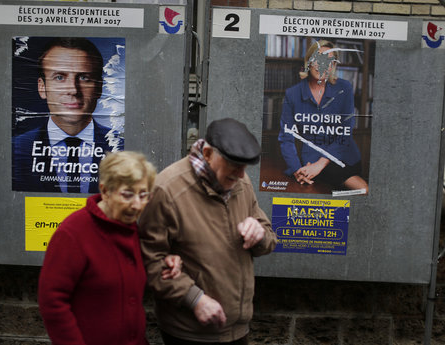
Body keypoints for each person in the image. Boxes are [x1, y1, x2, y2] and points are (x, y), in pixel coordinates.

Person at [139, 118, 278, 344]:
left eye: (244, 168)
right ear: (207, 153)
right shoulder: (168, 190)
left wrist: (260, 235)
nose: (241, 176)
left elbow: (269, 239)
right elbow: (151, 261)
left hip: (238, 328)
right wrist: (195, 299)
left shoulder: (241, 181)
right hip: (191, 331)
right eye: (233, 168)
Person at [38, 151, 182, 345]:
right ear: (105, 191)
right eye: (127, 195)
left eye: (143, 195)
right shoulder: (73, 233)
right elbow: (52, 301)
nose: (137, 205)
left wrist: (165, 262)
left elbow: (128, 272)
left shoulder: (129, 226)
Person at [12, 37, 123, 194]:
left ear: (99, 88)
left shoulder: (122, 149)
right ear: (42, 87)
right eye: (59, 77)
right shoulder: (16, 150)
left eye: (84, 78)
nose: (73, 90)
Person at [278, 39, 369, 193]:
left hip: (343, 157)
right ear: (309, 62)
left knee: (363, 190)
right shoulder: (292, 94)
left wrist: (320, 164)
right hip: (311, 162)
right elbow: (286, 138)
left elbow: (345, 133)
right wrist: (297, 170)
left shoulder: (344, 88)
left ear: (333, 66)